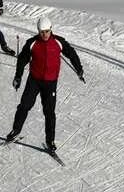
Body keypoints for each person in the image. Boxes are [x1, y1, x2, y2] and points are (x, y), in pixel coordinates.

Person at [6, 17, 84, 155]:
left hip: (50, 83)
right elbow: (22, 59)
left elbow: (72, 54)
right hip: (34, 80)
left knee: (49, 112)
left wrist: (79, 69)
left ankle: (50, 141)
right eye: (42, 32)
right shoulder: (32, 43)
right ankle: (16, 130)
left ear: (51, 29)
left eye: (47, 31)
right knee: (24, 105)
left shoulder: (59, 42)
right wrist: (18, 76)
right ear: (38, 31)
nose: (45, 35)